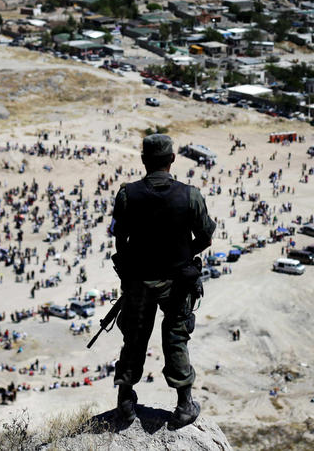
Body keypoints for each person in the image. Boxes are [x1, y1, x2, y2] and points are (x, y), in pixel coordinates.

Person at [110, 134, 216, 429]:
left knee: (134, 339)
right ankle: (184, 405)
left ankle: (125, 403)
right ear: (172, 160)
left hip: (140, 281)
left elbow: (120, 240)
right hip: (177, 281)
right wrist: (181, 257)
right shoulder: (190, 195)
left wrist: (140, 264)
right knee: (176, 337)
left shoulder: (127, 195)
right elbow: (206, 237)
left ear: (144, 161)